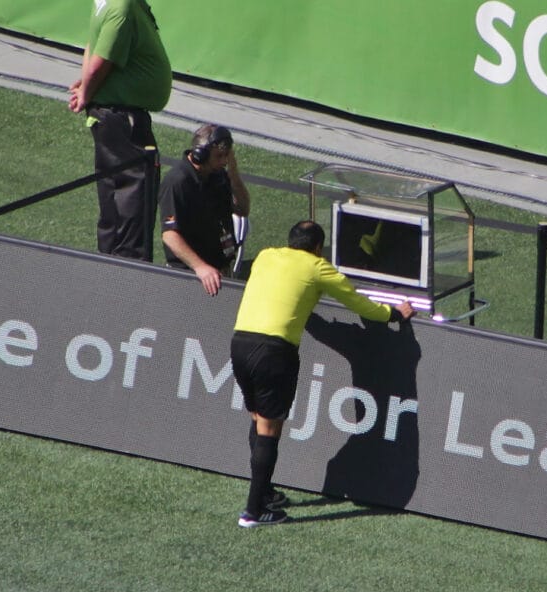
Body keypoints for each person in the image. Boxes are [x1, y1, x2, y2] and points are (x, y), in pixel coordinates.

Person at [230, 220, 416, 527]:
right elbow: (358, 302)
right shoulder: (318, 267)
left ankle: (265, 493)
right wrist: (394, 313)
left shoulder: (265, 255)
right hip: (274, 352)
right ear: (318, 248)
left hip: (240, 343)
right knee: (270, 428)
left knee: (258, 418)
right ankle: (253, 511)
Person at [68, 0, 172, 262]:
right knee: (133, 203)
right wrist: (87, 93)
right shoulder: (121, 8)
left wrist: (86, 91)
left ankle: (109, 265)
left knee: (115, 200)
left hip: (114, 119)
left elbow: (94, 46)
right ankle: (127, 274)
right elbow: (101, 60)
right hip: (124, 121)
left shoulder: (106, 3)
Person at [158, 124, 251, 295]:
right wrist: (201, 267)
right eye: (219, 156)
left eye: (226, 156)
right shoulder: (177, 182)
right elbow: (170, 235)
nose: (224, 162)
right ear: (201, 154)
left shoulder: (218, 175)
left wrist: (233, 173)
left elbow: (243, 209)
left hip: (218, 271)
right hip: (192, 275)